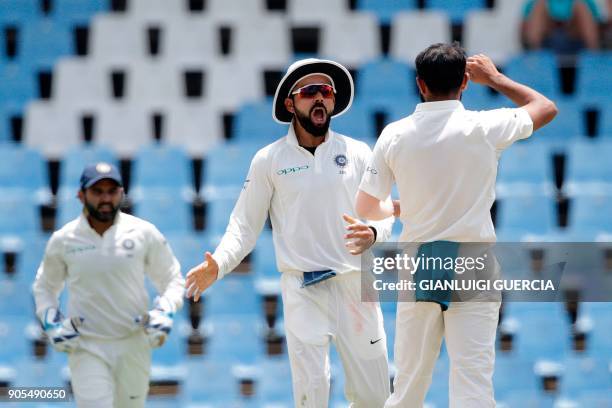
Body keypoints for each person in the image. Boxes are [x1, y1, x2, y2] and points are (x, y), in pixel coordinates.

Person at [355, 43, 557, 407]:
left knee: (409, 385)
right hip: (474, 259)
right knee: (473, 384)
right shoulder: (484, 125)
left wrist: (400, 208)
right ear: (464, 82)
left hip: (422, 260)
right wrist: (495, 79)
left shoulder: (395, 134)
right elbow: (545, 108)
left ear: (420, 84)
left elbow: (366, 207)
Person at [185, 58, 395, 407]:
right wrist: (219, 264)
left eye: (326, 92)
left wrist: (374, 233)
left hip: (356, 283)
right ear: (290, 103)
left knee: (374, 395)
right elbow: (244, 224)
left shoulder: (357, 152)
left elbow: (383, 211)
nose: (320, 99)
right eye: (310, 92)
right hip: (302, 286)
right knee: (312, 393)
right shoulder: (269, 160)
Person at [32, 162, 185, 408]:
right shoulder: (64, 239)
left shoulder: (143, 232)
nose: (105, 199)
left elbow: (172, 278)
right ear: (81, 195)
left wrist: (165, 310)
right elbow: (44, 288)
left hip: (134, 341)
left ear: (122, 194)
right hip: (87, 345)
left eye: (112, 191)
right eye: (97, 191)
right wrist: (52, 323)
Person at [522, 0, 604, 50]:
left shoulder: (586, 2)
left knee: (580, 6)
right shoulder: (535, 3)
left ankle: (593, 57)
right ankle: (534, 56)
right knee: (539, 6)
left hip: (577, 41)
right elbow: (523, 28)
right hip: (547, 42)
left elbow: (598, 25)